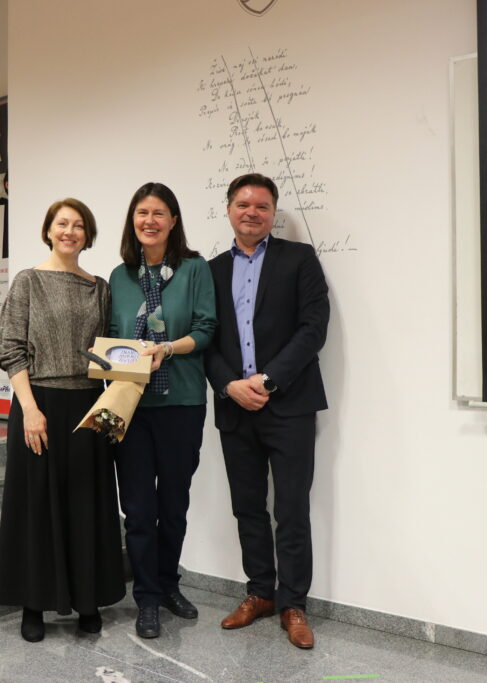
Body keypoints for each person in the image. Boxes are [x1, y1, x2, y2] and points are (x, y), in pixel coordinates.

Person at [204, 173, 330, 649]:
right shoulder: (211, 270)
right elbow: (206, 337)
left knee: (292, 508)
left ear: (273, 214)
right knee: (247, 507)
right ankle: (259, 592)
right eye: (243, 204)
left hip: (289, 405)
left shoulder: (300, 259)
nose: (252, 212)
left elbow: (314, 327)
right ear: (229, 209)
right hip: (235, 407)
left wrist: (268, 379)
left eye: (261, 206)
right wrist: (229, 385)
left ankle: (293, 603)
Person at [0, 198, 125, 642]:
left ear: (88, 235)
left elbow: (109, 353)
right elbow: (10, 348)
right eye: (62, 223)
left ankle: (87, 600)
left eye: (79, 225)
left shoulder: (100, 288)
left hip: (89, 403)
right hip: (39, 403)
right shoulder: (28, 281)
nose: (70, 231)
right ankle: (33, 604)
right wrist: (30, 410)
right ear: (49, 230)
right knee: (36, 506)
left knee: (86, 504)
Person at [109, 182, 217, 639]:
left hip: (182, 404)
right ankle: (147, 599)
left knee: (174, 504)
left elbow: (206, 328)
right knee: (138, 509)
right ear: (132, 220)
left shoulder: (194, 269)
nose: (149, 221)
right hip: (130, 407)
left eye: (158, 213)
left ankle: (169, 585)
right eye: (142, 213)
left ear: (173, 221)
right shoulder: (119, 276)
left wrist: (167, 348)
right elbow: (110, 334)